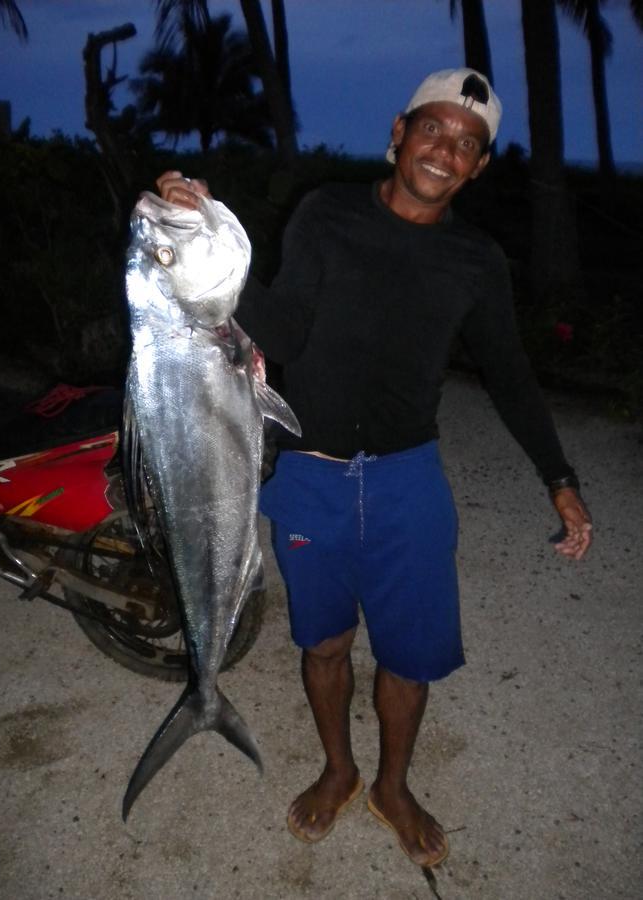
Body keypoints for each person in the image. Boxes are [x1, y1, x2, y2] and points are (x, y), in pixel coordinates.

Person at [156, 68, 592, 869]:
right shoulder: (326, 214)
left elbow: (508, 372)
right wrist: (205, 234)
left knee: (406, 658)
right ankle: (339, 768)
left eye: (467, 145)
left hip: (405, 481)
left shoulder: (474, 259)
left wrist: (559, 477)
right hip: (310, 478)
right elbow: (281, 331)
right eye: (433, 129)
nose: (446, 150)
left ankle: (393, 784)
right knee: (322, 644)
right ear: (398, 132)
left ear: (477, 168)